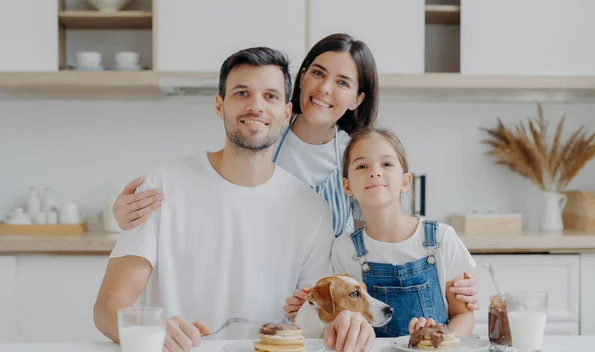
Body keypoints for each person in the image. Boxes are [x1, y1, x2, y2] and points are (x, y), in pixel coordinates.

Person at [112, 33, 481, 310]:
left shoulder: (358, 159)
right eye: (318, 73)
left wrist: (443, 278)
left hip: (322, 306)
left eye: (343, 82)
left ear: (357, 99)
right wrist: (128, 215)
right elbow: (205, 193)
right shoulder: (259, 134)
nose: (324, 88)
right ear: (301, 80)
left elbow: (386, 238)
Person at [94, 46, 375, 352]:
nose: (255, 106)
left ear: (286, 112)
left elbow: (313, 317)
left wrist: (349, 324)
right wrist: (147, 331)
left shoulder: (312, 210)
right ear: (219, 105)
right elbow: (109, 305)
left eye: (270, 96)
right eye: (242, 93)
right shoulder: (162, 184)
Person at [331, 127, 476, 338]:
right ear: (347, 186)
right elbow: (341, 320)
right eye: (362, 166)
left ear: (406, 182)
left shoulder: (441, 239)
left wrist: (439, 339)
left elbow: (464, 316)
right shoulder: (344, 250)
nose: (375, 172)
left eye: (387, 164)